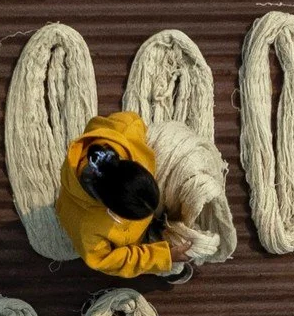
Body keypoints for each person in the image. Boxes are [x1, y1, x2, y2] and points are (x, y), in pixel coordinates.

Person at [55, 110, 193, 280]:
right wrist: (164, 257)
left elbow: (134, 120)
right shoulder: (86, 227)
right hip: (129, 239)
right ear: (111, 209)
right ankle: (159, 261)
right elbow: (109, 261)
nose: (151, 216)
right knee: (164, 262)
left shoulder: (124, 131)